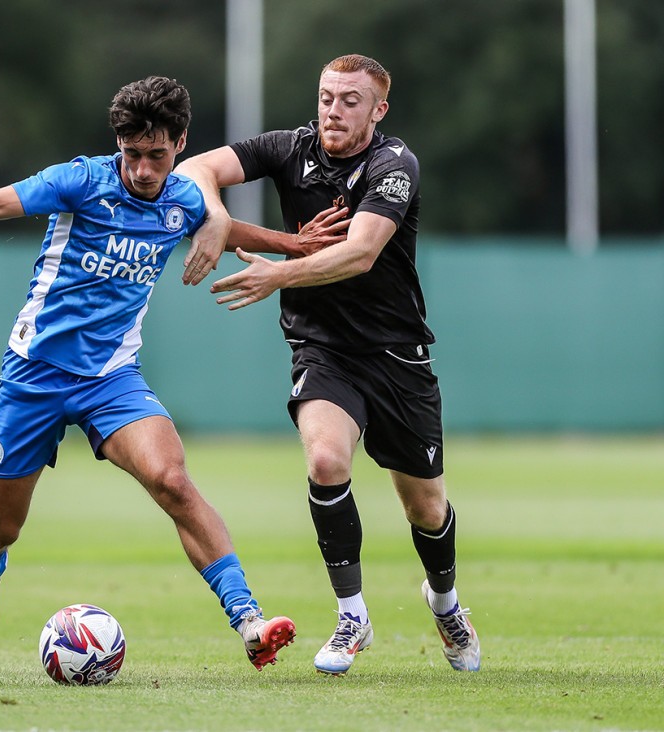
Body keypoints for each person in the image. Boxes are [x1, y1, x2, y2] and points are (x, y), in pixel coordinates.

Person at [0, 76, 296, 670]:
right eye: (131, 153)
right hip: (33, 376)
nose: (141, 168)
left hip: (112, 377)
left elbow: (227, 227)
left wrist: (296, 245)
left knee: (173, 481)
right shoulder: (81, 181)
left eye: (155, 155)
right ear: (118, 143)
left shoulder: (184, 199)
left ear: (180, 144)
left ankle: (249, 621)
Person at [176, 54, 481, 674]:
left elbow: (361, 252)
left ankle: (445, 602)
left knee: (425, 507)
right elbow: (195, 167)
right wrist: (215, 215)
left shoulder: (394, 164)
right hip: (323, 348)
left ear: (378, 109)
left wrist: (277, 273)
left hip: (397, 352)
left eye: (349, 100)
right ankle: (352, 616)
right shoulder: (288, 149)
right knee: (324, 459)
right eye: (325, 97)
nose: (333, 110)